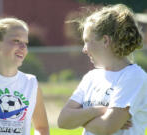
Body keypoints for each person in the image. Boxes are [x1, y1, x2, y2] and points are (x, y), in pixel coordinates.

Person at [58, 4, 147, 135]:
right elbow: (63, 121)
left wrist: (79, 119)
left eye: (87, 41)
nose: (84, 49)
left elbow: (106, 127)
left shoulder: (134, 76)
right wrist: (98, 111)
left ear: (105, 41)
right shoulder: (91, 77)